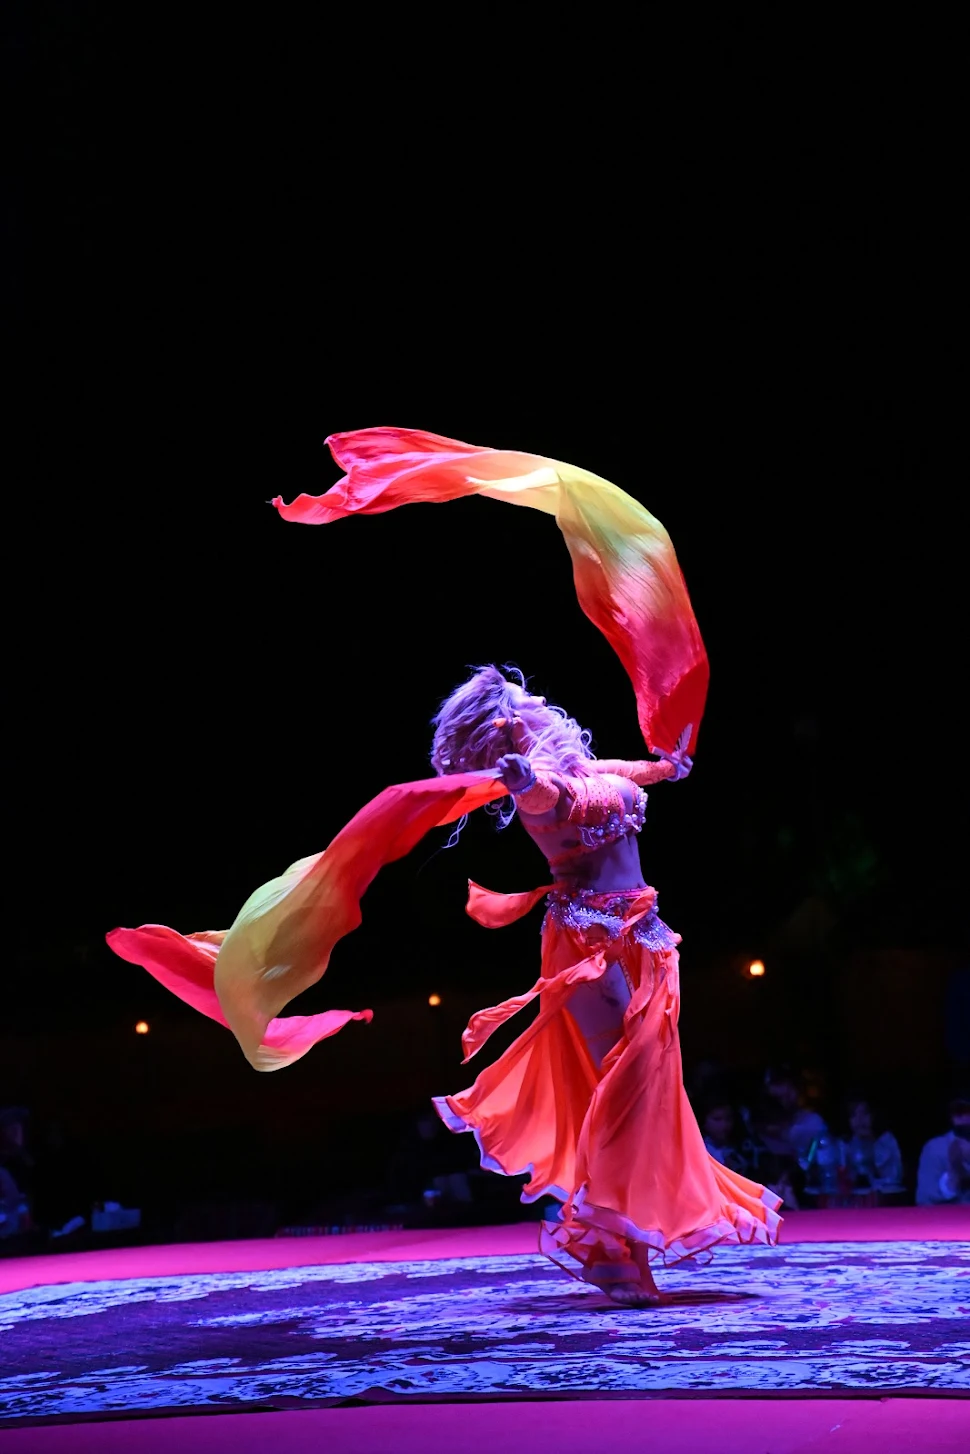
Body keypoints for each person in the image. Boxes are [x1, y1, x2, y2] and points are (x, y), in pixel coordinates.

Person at [107, 426, 782, 1307]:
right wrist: (522, 780)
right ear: (517, 738)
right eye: (533, 707)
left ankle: (619, 1246)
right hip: (586, 947)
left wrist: (665, 766)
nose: (548, 704)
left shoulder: (590, 768)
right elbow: (546, 797)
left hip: (646, 938)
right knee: (628, 1086)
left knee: (643, 1086)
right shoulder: (544, 783)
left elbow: (622, 774)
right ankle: (621, 1247)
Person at [838, 1096, 904, 1194]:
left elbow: (894, 1178)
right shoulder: (843, 1144)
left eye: (865, 1113)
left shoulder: (887, 1140)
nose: (860, 1119)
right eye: (854, 1115)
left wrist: (872, 1145)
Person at [915, 1094, 970, 1205]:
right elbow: (923, 1200)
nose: (963, 1117)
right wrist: (954, 1175)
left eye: (968, 1111)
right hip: (951, 1220)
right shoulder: (935, 1148)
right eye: (958, 1111)